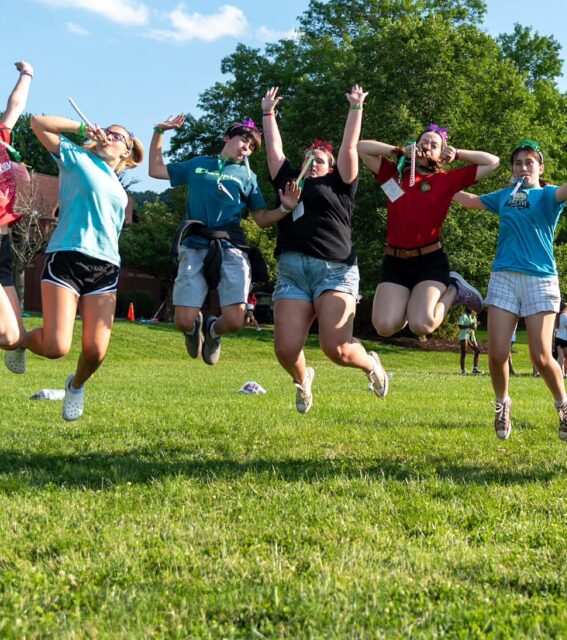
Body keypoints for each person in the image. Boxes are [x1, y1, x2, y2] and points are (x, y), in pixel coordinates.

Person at [261, 85, 389, 414]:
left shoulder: (339, 184)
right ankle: (303, 379)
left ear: (330, 166)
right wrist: (268, 113)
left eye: (319, 159)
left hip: (336, 270)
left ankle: (370, 365)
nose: (312, 162)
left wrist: (356, 108)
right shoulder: (289, 182)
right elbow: (274, 151)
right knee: (286, 350)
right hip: (292, 272)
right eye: (308, 157)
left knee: (337, 349)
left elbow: (349, 147)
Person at [453, 139, 567, 442]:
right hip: (503, 277)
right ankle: (502, 404)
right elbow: (471, 200)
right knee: (498, 352)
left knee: (540, 356)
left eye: (530, 162)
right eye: (518, 163)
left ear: (540, 168)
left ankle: (565, 403)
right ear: (513, 169)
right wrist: (442, 183)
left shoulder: (546, 195)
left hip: (540, 279)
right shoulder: (504, 195)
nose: (523, 167)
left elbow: (566, 190)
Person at [17, 114, 144, 420]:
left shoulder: (120, 190)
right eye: (107, 132)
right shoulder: (76, 157)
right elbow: (37, 123)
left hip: (105, 267)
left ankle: (75, 386)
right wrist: (83, 128)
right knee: (56, 347)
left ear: (126, 152)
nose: (109, 137)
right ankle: (18, 340)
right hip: (67, 257)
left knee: (96, 351)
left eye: (118, 137)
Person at [149, 116, 299, 366]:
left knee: (234, 320)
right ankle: (193, 327)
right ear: (227, 138)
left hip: (231, 247)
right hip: (195, 244)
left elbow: (261, 218)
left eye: (251, 147)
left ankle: (213, 331)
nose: (246, 148)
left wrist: (284, 208)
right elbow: (155, 170)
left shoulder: (248, 177)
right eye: (243, 140)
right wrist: (158, 131)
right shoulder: (198, 164)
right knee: (182, 321)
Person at [357, 126, 499, 339]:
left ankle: (454, 289)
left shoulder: (446, 179)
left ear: (442, 153)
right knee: (385, 327)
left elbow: (492, 162)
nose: (427, 146)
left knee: (422, 325)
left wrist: (457, 153)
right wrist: (399, 151)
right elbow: (362, 147)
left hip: (429, 261)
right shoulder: (393, 175)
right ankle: (405, 304)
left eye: (434, 145)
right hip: (395, 262)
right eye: (424, 142)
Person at [0, 61, 34, 375]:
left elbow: (15, 106)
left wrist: (27, 74)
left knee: (13, 336)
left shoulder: (2, 137)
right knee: (7, 333)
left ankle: (17, 344)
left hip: (4, 244)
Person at [457, 306, 481, 375]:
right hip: (464, 336)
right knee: (464, 353)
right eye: (470, 308)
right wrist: (469, 326)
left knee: (477, 351)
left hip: (471, 337)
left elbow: (474, 328)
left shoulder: (473, 317)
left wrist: (474, 326)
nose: (471, 309)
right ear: (467, 309)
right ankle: (463, 370)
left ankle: (475, 368)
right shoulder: (463, 316)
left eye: (472, 308)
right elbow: (460, 326)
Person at [553, 301, 567, 378]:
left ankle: (561, 373)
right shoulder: (566, 317)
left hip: (558, 338)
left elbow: (555, 328)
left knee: (561, 357)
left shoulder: (557, 316)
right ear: (565, 308)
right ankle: (566, 373)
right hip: (566, 339)